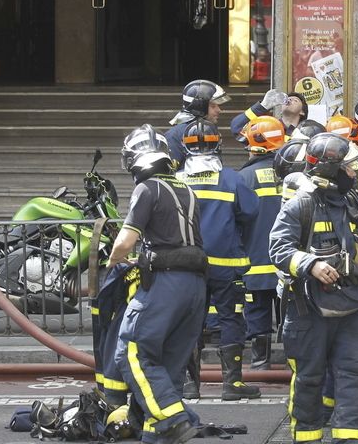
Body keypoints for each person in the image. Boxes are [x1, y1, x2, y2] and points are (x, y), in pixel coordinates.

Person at [270, 133, 358, 444]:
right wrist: (311, 265)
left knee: (354, 374)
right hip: (309, 309)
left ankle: (350, 438)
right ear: (330, 170)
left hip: (351, 305)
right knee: (309, 378)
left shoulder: (353, 203)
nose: (355, 172)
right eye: (349, 167)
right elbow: (278, 248)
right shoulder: (301, 204)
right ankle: (307, 437)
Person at [108, 124, 207, 444]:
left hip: (165, 284)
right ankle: (158, 434)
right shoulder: (187, 189)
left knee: (133, 351)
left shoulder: (147, 188)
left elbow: (125, 242)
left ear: (134, 160)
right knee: (169, 364)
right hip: (195, 286)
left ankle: (173, 418)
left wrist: (113, 260)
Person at [177, 119, 261, 401]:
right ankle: (232, 384)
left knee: (189, 321)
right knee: (231, 320)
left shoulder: (177, 179)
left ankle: (190, 385)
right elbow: (250, 212)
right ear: (218, 144)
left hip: (188, 266)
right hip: (226, 266)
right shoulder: (231, 178)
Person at [237, 116, 286, 370]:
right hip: (289, 262)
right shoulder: (293, 174)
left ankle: (260, 363)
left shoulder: (243, 177)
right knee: (291, 312)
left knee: (257, 310)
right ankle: (295, 362)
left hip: (255, 260)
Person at [166, 80, 230, 165]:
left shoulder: (209, 129)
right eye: (213, 106)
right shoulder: (174, 136)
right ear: (199, 106)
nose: (219, 110)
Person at [229, 89, 308, 143]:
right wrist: (263, 106)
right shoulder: (268, 127)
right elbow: (237, 128)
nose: (289, 100)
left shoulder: (305, 133)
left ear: (302, 112)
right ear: (281, 111)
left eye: (295, 100)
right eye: (288, 98)